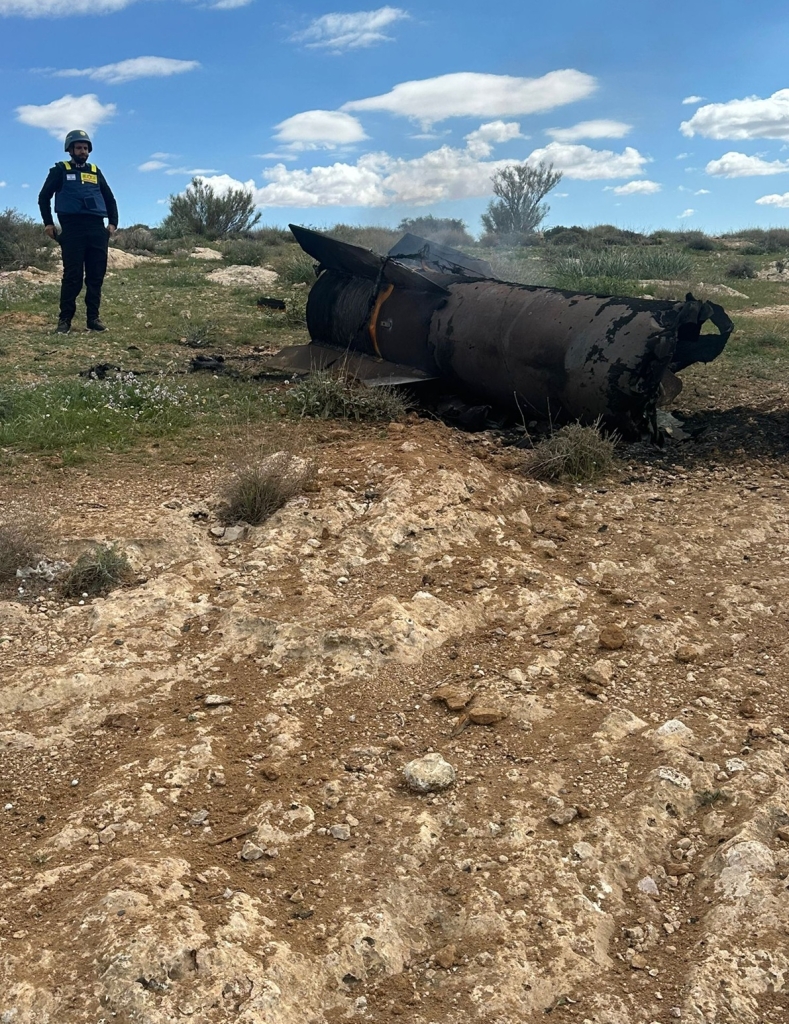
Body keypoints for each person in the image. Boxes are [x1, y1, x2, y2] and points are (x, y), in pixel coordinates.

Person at [38, 129, 118, 335]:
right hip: (72, 229)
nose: (82, 151)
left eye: (85, 148)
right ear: (70, 150)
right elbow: (44, 196)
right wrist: (48, 223)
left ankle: (93, 319)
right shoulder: (60, 170)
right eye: (78, 147)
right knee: (72, 276)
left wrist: (112, 223)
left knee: (95, 276)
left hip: (96, 228)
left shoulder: (94, 171)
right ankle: (65, 320)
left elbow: (109, 198)